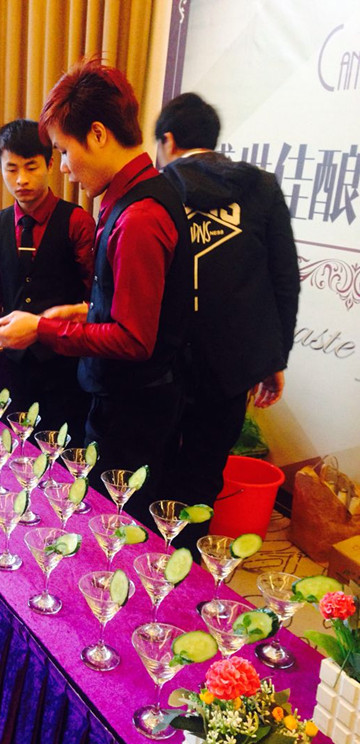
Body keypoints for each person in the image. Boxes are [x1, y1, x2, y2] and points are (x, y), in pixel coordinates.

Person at [0, 59, 193, 522]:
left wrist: (41, 329)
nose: (63, 168)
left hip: (133, 412)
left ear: (98, 134)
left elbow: (134, 338)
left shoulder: (139, 218)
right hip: (126, 401)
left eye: (63, 151)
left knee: (115, 526)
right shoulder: (133, 196)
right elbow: (139, 305)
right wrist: (84, 311)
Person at [154, 92, 300, 556]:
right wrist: (273, 358)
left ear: (168, 140)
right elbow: (284, 280)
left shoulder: (157, 187)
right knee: (204, 472)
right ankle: (188, 563)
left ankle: (148, 563)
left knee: (156, 467)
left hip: (162, 359)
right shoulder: (262, 187)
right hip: (232, 363)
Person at [0, 118, 94, 441]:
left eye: (31, 167)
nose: (21, 180)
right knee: (13, 450)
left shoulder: (77, 222)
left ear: (50, 164)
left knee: (61, 454)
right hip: (13, 368)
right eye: (11, 169)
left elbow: (94, 297)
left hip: (67, 370)